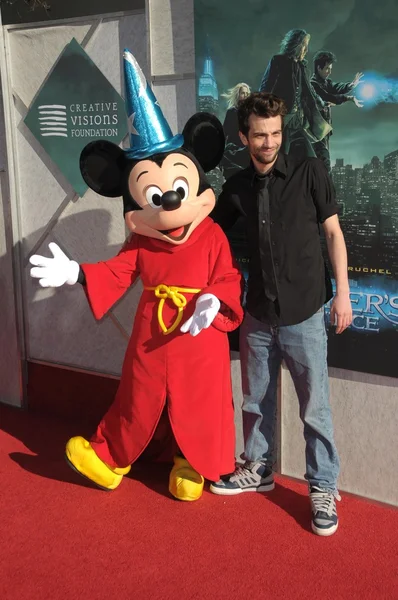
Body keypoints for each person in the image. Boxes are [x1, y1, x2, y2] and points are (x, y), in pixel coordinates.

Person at [210, 92, 353, 537]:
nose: (269, 142)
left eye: (275, 133)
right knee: (255, 401)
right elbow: (206, 236)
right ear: (244, 136)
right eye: (259, 135)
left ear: (282, 131)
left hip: (306, 311)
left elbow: (333, 232)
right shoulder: (235, 188)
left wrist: (343, 294)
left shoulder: (310, 172)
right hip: (257, 314)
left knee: (315, 408)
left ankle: (324, 487)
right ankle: (259, 467)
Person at [259, 29, 331, 162]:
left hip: (299, 122)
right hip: (282, 120)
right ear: (295, 45)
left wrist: (322, 103)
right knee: (280, 159)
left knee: (312, 160)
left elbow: (309, 93)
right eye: (304, 45)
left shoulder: (301, 67)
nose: (306, 49)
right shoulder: (278, 61)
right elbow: (265, 90)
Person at [310, 51, 363, 173]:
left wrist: (351, 85)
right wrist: (348, 98)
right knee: (323, 162)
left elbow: (336, 87)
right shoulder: (313, 85)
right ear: (319, 68)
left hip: (324, 128)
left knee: (323, 160)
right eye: (327, 68)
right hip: (316, 130)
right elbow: (330, 97)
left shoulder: (325, 82)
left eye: (330, 68)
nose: (329, 71)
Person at [220, 83, 251, 179]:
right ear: (238, 94)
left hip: (246, 150)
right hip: (233, 151)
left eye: (247, 93)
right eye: (243, 93)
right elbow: (224, 133)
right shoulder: (231, 112)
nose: (245, 95)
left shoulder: (251, 112)